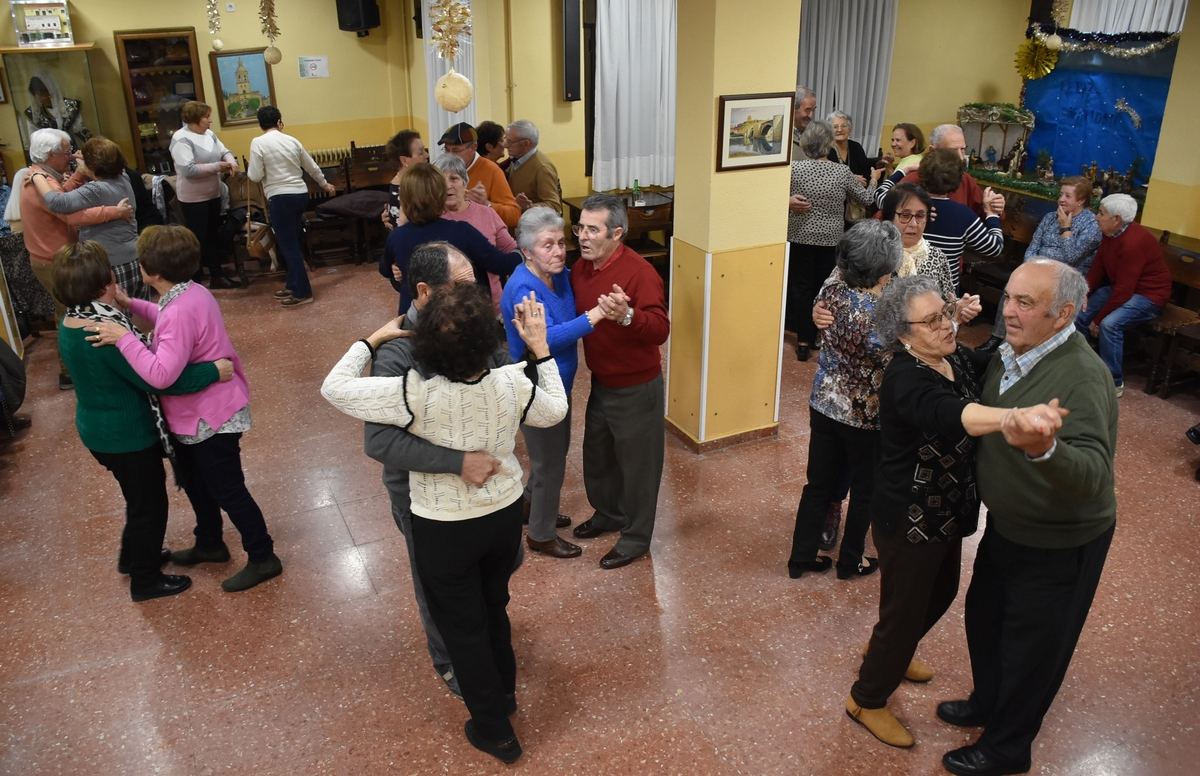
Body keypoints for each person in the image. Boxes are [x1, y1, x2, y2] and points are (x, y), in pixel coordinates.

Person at [322, 283, 569, 764]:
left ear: (426, 344)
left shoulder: (411, 393)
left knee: (462, 627)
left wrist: (370, 341)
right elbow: (553, 410)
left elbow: (334, 388)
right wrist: (539, 348)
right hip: (501, 514)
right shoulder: (511, 381)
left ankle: (495, 731)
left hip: (445, 525)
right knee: (494, 605)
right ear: (491, 343)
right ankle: (506, 695)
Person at [844, 274, 1063, 749]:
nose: (946, 325)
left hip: (944, 511)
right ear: (903, 334)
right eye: (932, 321)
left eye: (944, 313)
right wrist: (1011, 420)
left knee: (939, 593)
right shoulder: (905, 376)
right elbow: (950, 413)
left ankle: (891, 652)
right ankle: (867, 697)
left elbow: (989, 361)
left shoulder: (951, 355)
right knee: (903, 612)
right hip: (908, 518)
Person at [939, 259, 1118, 776]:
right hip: (1011, 524)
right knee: (987, 619)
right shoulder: (1014, 351)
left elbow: (1092, 476)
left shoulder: (1083, 376)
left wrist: (1046, 450)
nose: (1009, 311)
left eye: (1024, 303)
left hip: (1061, 539)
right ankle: (988, 703)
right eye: (1010, 297)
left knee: (1033, 649)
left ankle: (1007, 748)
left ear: (1062, 315)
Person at [84, 226, 282, 593]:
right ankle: (210, 542)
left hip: (210, 418)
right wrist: (130, 306)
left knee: (228, 491)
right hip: (204, 415)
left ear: (151, 271)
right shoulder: (193, 293)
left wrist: (125, 337)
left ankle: (263, 555)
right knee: (196, 482)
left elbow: (160, 374)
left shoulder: (177, 310)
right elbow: (165, 317)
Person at [363, 241, 515, 699]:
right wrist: (457, 462)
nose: (477, 298)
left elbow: (503, 373)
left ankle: (483, 643)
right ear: (425, 292)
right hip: (424, 495)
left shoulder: (467, 325)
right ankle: (451, 660)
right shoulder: (396, 353)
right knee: (437, 586)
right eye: (463, 287)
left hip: (484, 490)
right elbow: (381, 440)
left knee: (492, 575)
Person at [54, 240, 236, 601]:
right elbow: (156, 376)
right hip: (125, 436)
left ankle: (133, 556)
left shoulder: (75, 319)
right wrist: (213, 372)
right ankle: (145, 579)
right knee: (149, 506)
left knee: (137, 500)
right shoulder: (102, 333)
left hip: (100, 429)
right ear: (105, 281)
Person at [810, 182, 983, 552]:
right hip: (865, 387)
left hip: (908, 377)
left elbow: (947, 308)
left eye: (921, 216)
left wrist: (959, 314)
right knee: (845, 460)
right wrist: (817, 311)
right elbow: (829, 292)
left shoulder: (936, 259)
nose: (913, 224)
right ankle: (834, 510)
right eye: (905, 215)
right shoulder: (865, 250)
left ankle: (882, 521)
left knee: (887, 461)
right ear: (890, 218)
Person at [502, 207, 621, 559]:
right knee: (550, 463)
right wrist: (596, 316)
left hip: (558, 384)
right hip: (535, 387)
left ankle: (530, 507)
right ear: (526, 251)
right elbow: (546, 338)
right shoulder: (524, 287)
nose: (558, 251)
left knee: (549, 456)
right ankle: (540, 534)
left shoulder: (560, 275)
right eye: (546, 245)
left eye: (560, 242)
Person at [786, 219, 900, 581]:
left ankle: (800, 559)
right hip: (866, 417)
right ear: (884, 266)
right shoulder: (881, 316)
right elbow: (899, 356)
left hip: (823, 404)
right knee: (865, 492)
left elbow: (842, 264)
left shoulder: (832, 289)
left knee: (817, 485)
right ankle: (851, 562)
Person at [568, 193, 671, 570]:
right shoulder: (580, 267)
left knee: (639, 468)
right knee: (597, 456)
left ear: (617, 233)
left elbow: (661, 329)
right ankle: (609, 513)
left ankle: (636, 537)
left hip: (637, 387)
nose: (583, 236)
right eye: (580, 227)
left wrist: (627, 316)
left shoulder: (640, 272)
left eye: (592, 229)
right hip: (601, 381)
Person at [21, 127, 133, 390]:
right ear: (50, 155)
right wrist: (112, 212)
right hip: (52, 259)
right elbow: (67, 212)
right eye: (66, 152)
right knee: (68, 313)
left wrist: (80, 172)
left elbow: (64, 195)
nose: (71, 156)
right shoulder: (38, 180)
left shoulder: (43, 175)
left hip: (55, 255)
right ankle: (67, 372)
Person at [787, 120, 882, 360]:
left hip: (799, 237)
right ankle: (821, 335)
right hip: (831, 241)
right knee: (825, 288)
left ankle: (803, 341)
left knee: (800, 288)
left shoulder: (795, 169)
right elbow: (866, 199)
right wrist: (874, 179)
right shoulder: (841, 172)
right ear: (829, 144)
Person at [978, 177, 1102, 354]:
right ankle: (998, 339)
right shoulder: (1050, 217)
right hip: (1037, 270)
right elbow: (1033, 246)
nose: (1061, 199)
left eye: (1068, 196)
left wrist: (1065, 228)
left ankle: (1029, 344)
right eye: (1061, 194)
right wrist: (1029, 270)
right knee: (1013, 290)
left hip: (1063, 278)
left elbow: (1072, 257)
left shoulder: (1091, 225)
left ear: (1081, 200)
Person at [378, 163, 522, 315]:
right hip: (458, 320)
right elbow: (501, 265)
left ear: (405, 200)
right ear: (441, 196)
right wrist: (525, 251)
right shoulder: (462, 231)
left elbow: (384, 269)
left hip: (415, 322)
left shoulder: (398, 236)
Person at [1075, 193, 1171, 397]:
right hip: (1122, 287)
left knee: (1110, 325)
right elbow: (1099, 264)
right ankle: (1082, 367)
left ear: (1116, 219)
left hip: (1149, 295)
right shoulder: (1110, 232)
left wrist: (1098, 321)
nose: (1096, 217)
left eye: (1101, 213)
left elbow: (1124, 291)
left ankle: (1114, 382)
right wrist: (1085, 291)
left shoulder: (1133, 244)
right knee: (1080, 313)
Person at [31, 137, 145, 299]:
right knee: (138, 311)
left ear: (92, 165)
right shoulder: (123, 178)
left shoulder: (95, 190)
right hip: (134, 257)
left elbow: (57, 203)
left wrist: (37, 176)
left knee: (116, 316)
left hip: (113, 263)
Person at [247, 106, 336, 308]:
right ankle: (292, 284)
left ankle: (303, 292)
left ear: (260, 124)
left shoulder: (258, 143)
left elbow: (254, 176)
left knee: (288, 246)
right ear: (279, 122)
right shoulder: (292, 140)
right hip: (300, 195)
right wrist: (324, 184)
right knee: (293, 242)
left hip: (280, 198)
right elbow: (310, 165)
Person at [169, 101, 241, 288]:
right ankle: (195, 279)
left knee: (212, 237)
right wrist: (218, 167)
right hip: (193, 199)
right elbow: (188, 169)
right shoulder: (181, 138)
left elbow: (224, 151)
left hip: (212, 194)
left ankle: (217, 275)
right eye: (206, 117)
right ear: (195, 119)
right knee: (198, 239)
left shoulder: (209, 134)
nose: (210, 120)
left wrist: (231, 162)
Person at [909, 149, 1004, 291]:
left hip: (909, 288)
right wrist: (991, 214)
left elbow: (880, 196)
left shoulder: (908, 208)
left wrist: (904, 170)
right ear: (958, 179)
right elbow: (994, 248)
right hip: (944, 294)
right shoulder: (963, 214)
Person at [434, 154, 515, 309]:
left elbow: (511, 251)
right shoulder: (431, 219)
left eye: (454, 179)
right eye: (440, 180)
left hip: (492, 307)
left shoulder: (487, 214)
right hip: (447, 311)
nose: (447, 185)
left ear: (465, 183)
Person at [877, 124, 1004, 220]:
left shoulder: (965, 179)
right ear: (933, 151)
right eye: (953, 151)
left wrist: (995, 209)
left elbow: (981, 213)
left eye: (963, 149)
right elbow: (884, 213)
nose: (960, 157)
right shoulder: (915, 178)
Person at [438, 122, 521, 227]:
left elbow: (514, 216)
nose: (450, 156)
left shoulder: (492, 171)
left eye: (456, 150)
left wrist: (486, 205)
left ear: (473, 148)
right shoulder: (439, 170)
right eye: (446, 150)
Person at [504, 119, 563, 214]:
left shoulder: (542, 168)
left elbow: (554, 206)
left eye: (510, 141)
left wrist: (527, 207)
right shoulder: (516, 159)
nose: (505, 145)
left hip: (533, 226)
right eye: (505, 139)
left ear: (526, 144)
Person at [382, 129, 429, 230]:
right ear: (404, 160)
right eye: (421, 153)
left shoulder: (411, 182)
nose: (427, 156)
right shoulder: (407, 189)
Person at [792, 86, 817, 159]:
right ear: (794, 108)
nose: (811, 115)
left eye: (813, 110)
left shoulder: (816, 135)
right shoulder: (782, 136)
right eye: (807, 110)